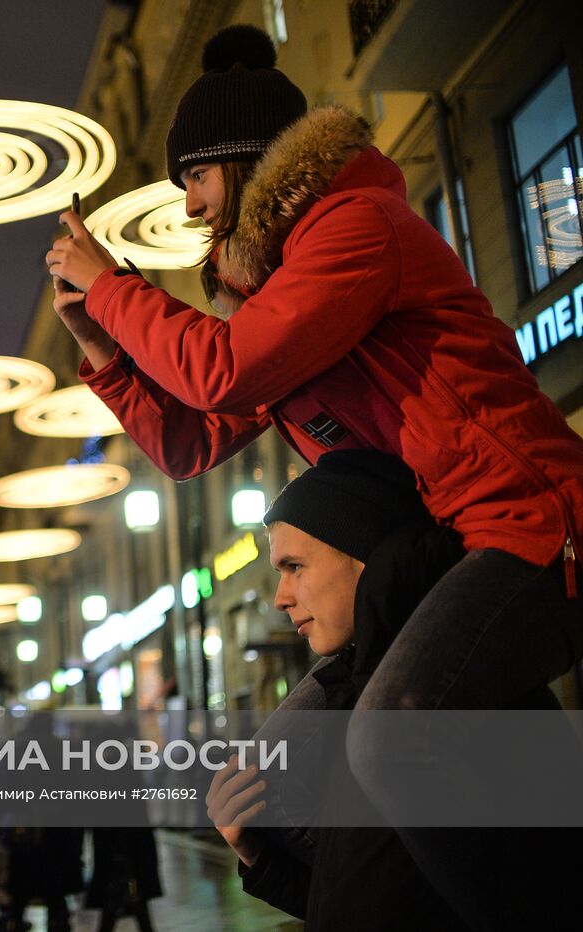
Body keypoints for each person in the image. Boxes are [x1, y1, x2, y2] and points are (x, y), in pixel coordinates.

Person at [45, 22, 583, 921]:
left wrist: (113, 286)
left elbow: (229, 368)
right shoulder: (283, 293)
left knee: (391, 739)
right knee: (268, 781)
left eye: (197, 180)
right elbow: (191, 441)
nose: (186, 210)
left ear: (247, 165)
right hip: (440, 558)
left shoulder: (355, 229)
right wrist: (106, 351)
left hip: (532, 526)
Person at [207, 450, 574, 929]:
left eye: (295, 566)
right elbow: (372, 897)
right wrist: (256, 853)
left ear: (362, 552)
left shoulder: (438, 702)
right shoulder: (368, 692)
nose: (280, 597)